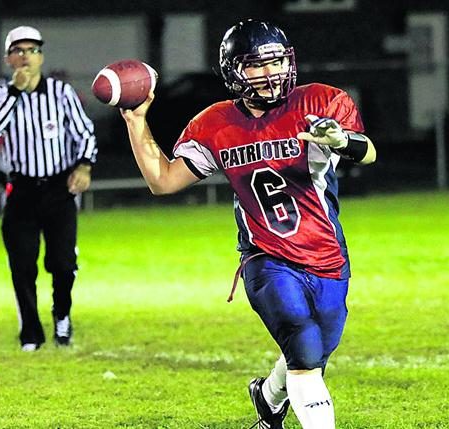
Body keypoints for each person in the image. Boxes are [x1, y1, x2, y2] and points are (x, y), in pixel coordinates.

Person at [118, 19, 376, 429]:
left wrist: (340, 141)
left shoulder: (321, 102)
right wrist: (136, 123)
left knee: (314, 349)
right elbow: (163, 181)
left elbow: (367, 153)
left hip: (327, 254)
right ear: (233, 71)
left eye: (276, 62)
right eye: (256, 65)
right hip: (266, 256)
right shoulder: (216, 123)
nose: (270, 73)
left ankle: (267, 397)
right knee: (305, 350)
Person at [0, 25, 98, 351]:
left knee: (62, 263)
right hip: (21, 191)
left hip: (58, 189)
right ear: (8, 59)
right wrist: (15, 92)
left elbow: (85, 133)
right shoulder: (1, 93)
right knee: (22, 264)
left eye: (32, 50)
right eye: (18, 51)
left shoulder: (60, 92)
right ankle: (30, 332)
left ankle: (62, 315)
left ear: (41, 56)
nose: (25, 57)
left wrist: (84, 166)